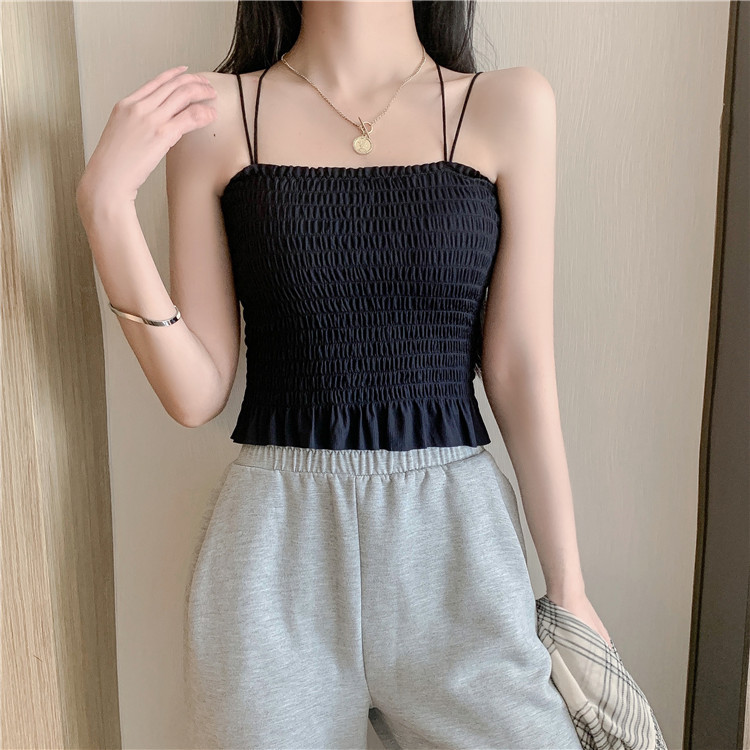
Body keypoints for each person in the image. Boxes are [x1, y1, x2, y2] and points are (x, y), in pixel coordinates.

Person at [76, 1, 609, 747]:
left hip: (456, 553)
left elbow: (519, 368)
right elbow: (197, 394)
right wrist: (105, 208)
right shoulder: (215, 114)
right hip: (275, 553)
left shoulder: (506, 104)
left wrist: (568, 589)